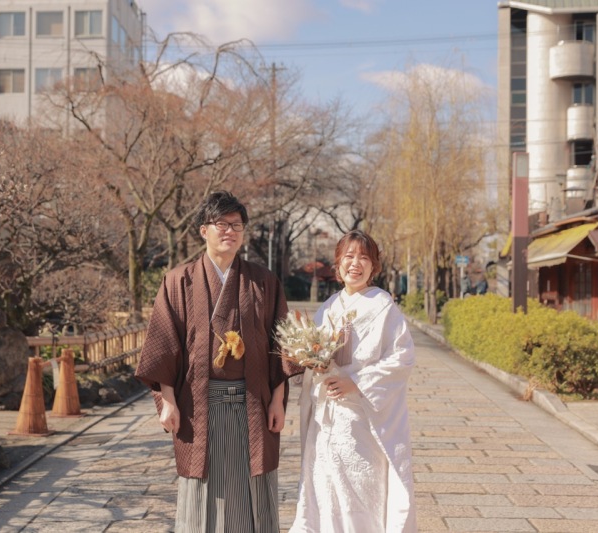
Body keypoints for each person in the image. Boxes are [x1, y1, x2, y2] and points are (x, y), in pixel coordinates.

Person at [135, 191, 294, 533]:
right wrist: (167, 402)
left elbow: (281, 344)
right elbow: (165, 344)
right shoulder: (178, 280)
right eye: (221, 224)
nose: (230, 231)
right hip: (198, 404)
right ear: (203, 230)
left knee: (253, 480)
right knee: (203, 483)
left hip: (253, 401)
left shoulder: (263, 281)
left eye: (236, 225)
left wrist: (278, 400)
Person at [290, 229, 417, 533]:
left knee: (361, 486)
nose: (355, 263)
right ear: (338, 263)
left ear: (375, 267)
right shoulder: (329, 307)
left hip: (364, 418)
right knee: (325, 485)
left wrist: (356, 382)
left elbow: (402, 358)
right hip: (327, 419)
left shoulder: (384, 307)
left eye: (364, 257)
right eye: (349, 256)